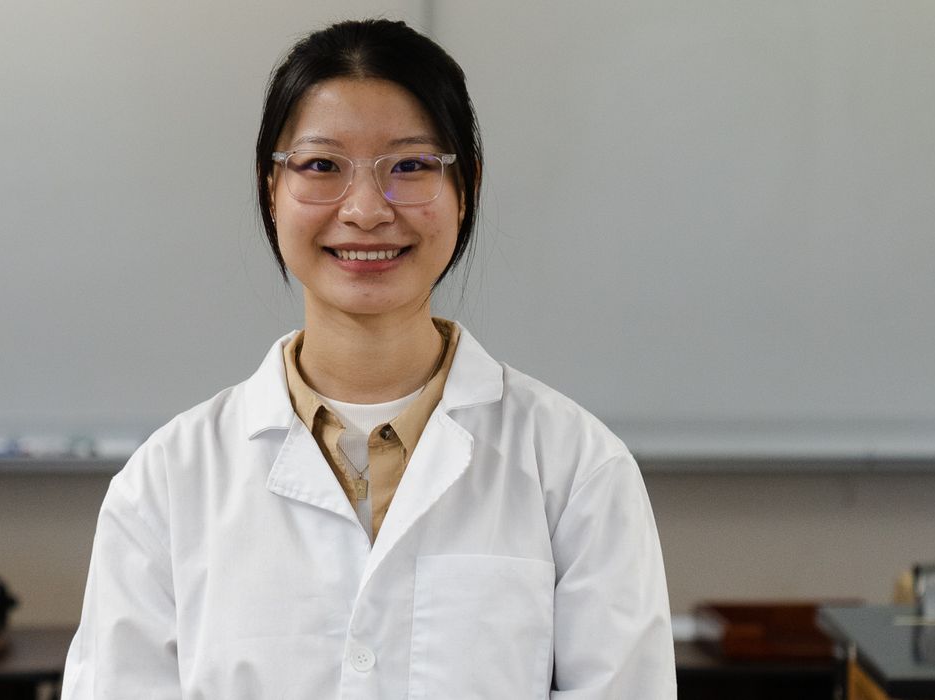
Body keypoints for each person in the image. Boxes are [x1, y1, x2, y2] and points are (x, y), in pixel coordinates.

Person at [61, 18, 674, 699]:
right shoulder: (165, 485)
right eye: (322, 166)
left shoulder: (578, 470)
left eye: (410, 166)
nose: (365, 210)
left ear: (464, 187)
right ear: (272, 188)